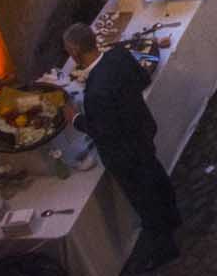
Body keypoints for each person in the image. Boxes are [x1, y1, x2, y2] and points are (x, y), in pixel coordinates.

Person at [60, 25, 180, 271]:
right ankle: (172, 216)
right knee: (156, 176)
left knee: (144, 199)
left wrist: (73, 118)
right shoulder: (119, 56)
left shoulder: (96, 92)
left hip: (125, 153)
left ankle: (164, 246)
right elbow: (143, 78)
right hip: (142, 133)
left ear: (74, 51)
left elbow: (100, 129)